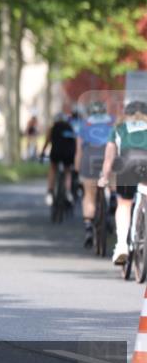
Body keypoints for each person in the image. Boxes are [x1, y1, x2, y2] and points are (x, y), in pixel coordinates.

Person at [98, 100, 147, 266]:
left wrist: (104, 177)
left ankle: (121, 246)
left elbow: (109, 158)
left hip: (127, 163)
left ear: (126, 114)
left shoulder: (119, 128)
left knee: (124, 204)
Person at [75, 101, 115, 247]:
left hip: (89, 155)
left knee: (89, 195)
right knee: (113, 179)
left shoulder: (85, 124)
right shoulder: (113, 121)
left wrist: (78, 169)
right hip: (108, 153)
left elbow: (79, 149)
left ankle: (88, 229)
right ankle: (113, 199)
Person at [41, 112, 77, 207]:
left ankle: (50, 192)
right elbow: (75, 142)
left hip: (56, 152)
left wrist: (42, 153)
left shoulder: (53, 128)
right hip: (69, 154)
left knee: (53, 168)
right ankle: (68, 192)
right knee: (67, 171)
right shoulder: (70, 128)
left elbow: (47, 141)